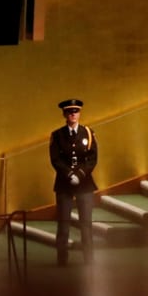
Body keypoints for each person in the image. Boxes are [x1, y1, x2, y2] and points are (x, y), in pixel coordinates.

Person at [50, 100, 98, 266]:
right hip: (64, 184)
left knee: (86, 224)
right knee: (63, 224)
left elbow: (92, 158)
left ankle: (89, 260)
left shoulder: (88, 133)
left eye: (76, 111)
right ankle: (62, 260)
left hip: (84, 184)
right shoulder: (57, 135)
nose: (73, 114)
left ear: (79, 113)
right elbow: (55, 159)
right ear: (64, 114)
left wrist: (80, 174)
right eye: (69, 112)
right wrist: (70, 174)